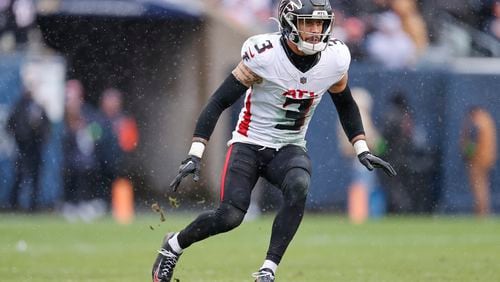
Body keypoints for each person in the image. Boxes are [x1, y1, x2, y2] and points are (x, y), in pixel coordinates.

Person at [151, 1, 396, 281]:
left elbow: (346, 103)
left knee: (299, 185)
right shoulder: (265, 56)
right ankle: (173, 245)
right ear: (289, 22)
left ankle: (268, 269)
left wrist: (361, 148)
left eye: (320, 23)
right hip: (248, 143)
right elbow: (218, 101)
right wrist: (195, 153)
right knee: (229, 216)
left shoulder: (334, 58)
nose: (316, 30)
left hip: (289, 146)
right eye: (308, 23)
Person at [7, 90, 50, 211]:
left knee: (34, 178)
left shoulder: (38, 107)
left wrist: (40, 138)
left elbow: (46, 127)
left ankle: (33, 206)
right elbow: (10, 125)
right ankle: (14, 204)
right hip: (22, 148)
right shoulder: (19, 107)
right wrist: (20, 137)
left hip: (34, 149)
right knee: (20, 177)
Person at [460, 106, 497, 217]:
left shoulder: (477, 122)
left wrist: (467, 154)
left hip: (477, 159)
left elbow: (473, 141)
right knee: (483, 186)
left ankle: (481, 213)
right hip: (487, 157)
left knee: (478, 187)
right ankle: (484, 211)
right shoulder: (487, 119)